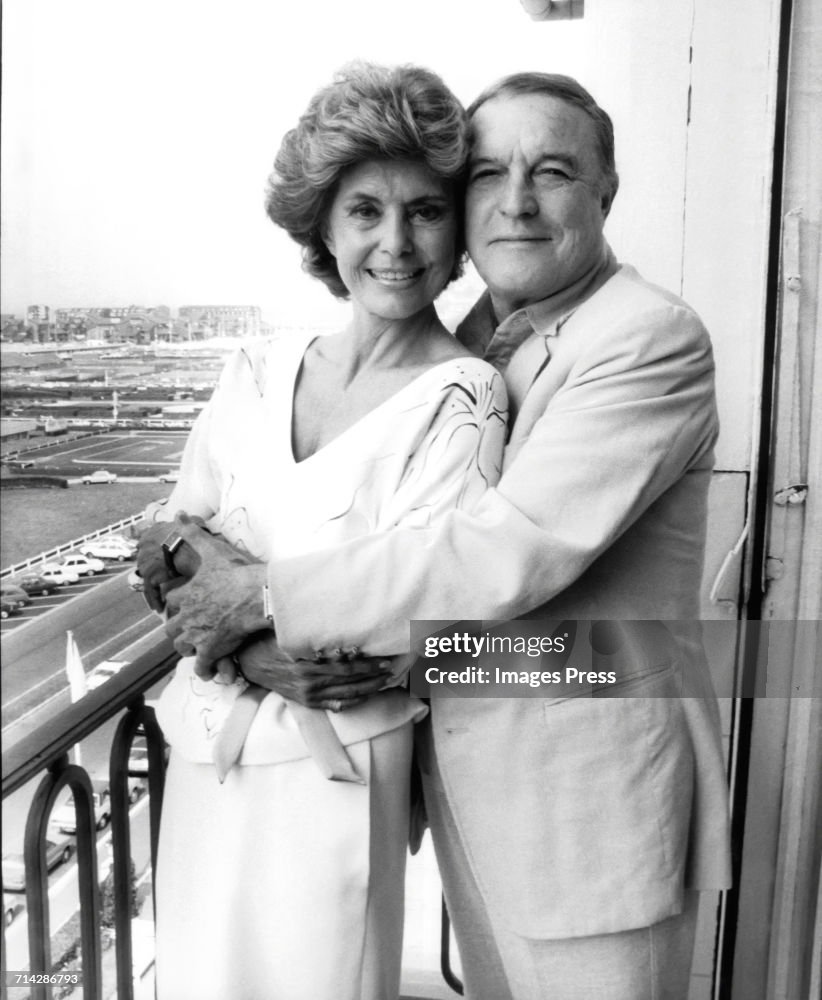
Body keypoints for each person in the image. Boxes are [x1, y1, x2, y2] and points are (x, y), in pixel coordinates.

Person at [159, 73, 733, 999]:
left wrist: (262, 599)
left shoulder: (645, 337)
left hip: (585, 799)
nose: (516, 201)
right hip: (466, 784)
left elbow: (503, 549)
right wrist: (207, 582)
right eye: (490, 174)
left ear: (606, 193)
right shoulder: (476, 334)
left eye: (552, 171)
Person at [136, 62, 507, 1000]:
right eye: (365, 212)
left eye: (425, 211)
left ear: (457, 227)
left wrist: (230, 609)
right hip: (205, 758)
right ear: (322, 227)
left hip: (337, 778)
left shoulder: (464, 397)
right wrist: (248, 638)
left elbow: (400, 625)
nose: (395, 243)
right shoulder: (257, 368)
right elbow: (169, 543)